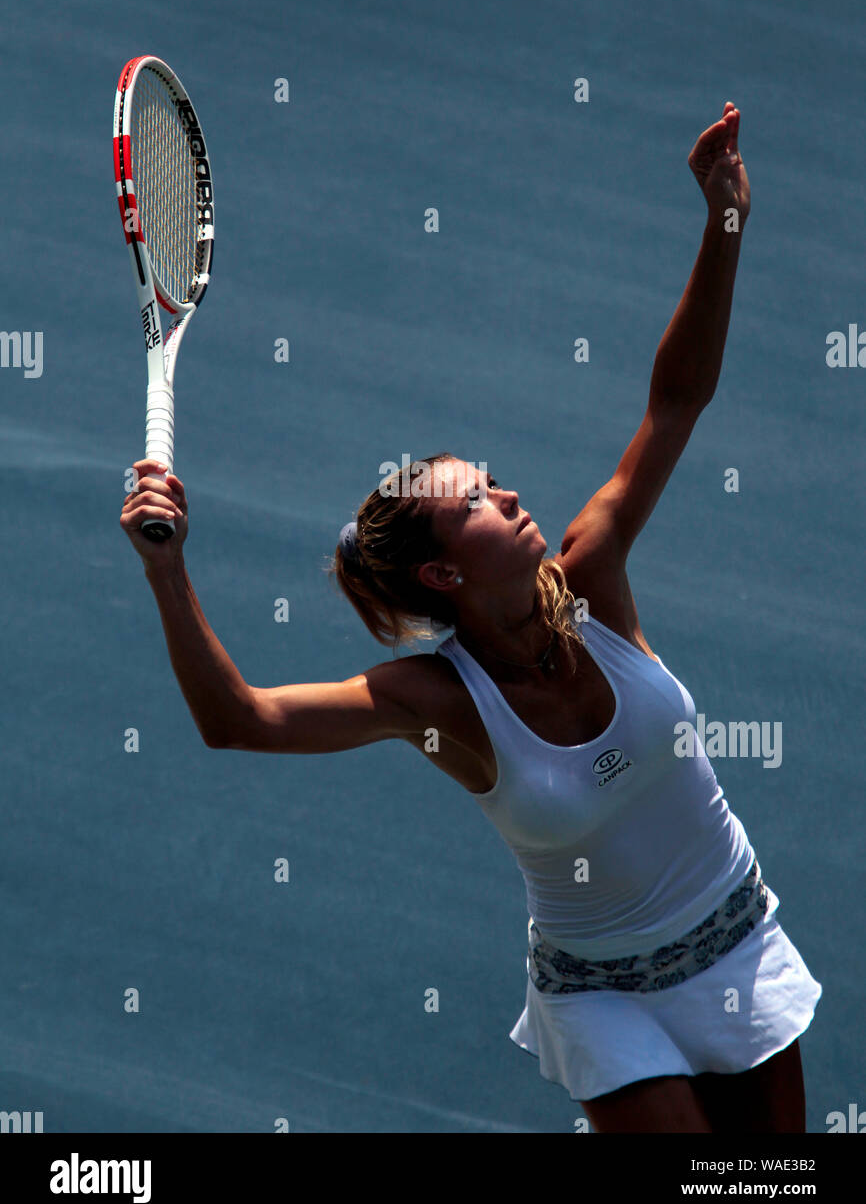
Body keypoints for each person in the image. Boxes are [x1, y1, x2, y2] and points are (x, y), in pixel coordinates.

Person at [120, 103, 821, 1132]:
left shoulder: (593, 580)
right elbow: (240, 719)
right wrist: (167, 572)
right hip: (600, 993)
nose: (507, 492)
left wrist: (723, 223)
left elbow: (672, 405)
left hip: (733, 939)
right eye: (476, 501)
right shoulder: (437, 701)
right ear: (444, 574)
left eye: (493, 480)